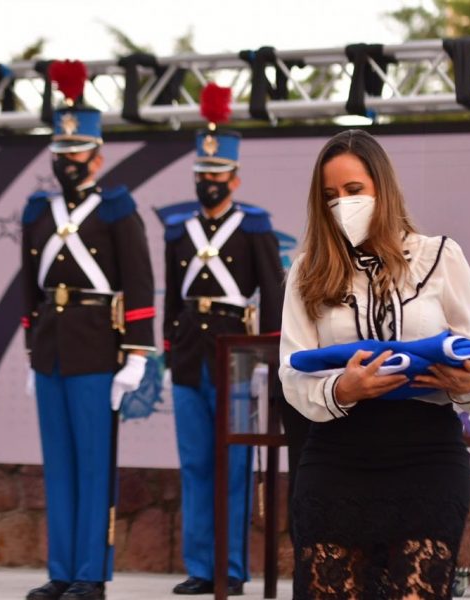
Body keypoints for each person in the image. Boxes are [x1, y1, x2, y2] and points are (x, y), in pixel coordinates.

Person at [279, 129, 470, 599]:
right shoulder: (307, 270)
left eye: (354, 191)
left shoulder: (441, 258)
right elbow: (291, 373)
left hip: (426, 458)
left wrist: (465, 381)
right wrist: (343, 389)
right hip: (336, 459)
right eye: (330, 196)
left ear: (382, 187)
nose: (342, 204)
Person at [21, 75, 156, 600]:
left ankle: (90, 574)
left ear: (98, 156)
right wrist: (32, 351)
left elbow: (139, 281)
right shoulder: (39, 211)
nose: (67, 159)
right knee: (58, 465)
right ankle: (61, 570)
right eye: (61, 149)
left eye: (77, 150)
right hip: (51, 347)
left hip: (100, 345)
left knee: (94, 463)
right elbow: (27, 290)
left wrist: (137, 354)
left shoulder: (117, 208)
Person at [162, 84, 284, 596]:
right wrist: (167, 349)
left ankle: (230, 569)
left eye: (216, 175)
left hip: (237, 352)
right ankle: (199, 566)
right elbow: (171, 297)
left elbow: (273, 293)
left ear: (234, 177)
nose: (208, 183)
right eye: (201, 176)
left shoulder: (254, 226)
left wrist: (273, 355)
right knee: (194, 462)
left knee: (234, 463)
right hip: (190, 350)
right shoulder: (178, 229)